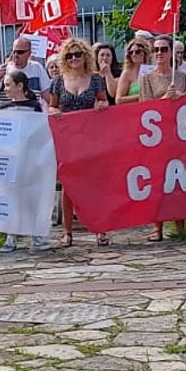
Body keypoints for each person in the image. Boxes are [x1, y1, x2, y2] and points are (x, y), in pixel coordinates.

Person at [48, 37, 109, 247]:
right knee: (68, 186)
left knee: (94, 185)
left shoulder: (95, 79)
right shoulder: (58, 81)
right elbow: (53, 107)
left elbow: (104, 100)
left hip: (91, 137)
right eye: (69, 55)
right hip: (68, 139)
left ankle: (100, 229)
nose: (74, 58)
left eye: (77, 54)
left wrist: (101, 104)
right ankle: (67, 232)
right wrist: (54, 111)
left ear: (85, 56)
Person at [139, 35, 186, 241]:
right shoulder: (147, 78)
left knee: (180, 180)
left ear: (171, 52)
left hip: (179, 135)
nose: (159, 53)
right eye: (156, 50)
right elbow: (144, 107)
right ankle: (157, 226)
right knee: (158, 182)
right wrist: (164, 99)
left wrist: (180, 96)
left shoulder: (181, 77)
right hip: (157, 137)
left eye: (163, 49)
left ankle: (180, 224)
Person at [0, 70, 51, 253]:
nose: (5, 88)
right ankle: (11, 236)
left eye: (8, 84)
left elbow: (40, 132)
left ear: (20, 86)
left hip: (30, 160)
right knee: (12, 198)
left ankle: (37, 236)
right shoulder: (3, 108)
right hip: (10, 161)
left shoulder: (34, 106)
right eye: (4, 85)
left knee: (31, 197)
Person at [0, 36, 51, 107]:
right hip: (8, 113)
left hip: (31, 114)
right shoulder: (3, 69)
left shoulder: (37, 68)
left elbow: (47, 96)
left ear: (29, 53)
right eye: (14, 52)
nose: (16, 55)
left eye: (20, 52)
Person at [115, 37, 152, 105]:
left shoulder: (152, 70)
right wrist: (140, 96)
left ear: (145, 52)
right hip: (133, 111)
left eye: (137, 51)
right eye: (131, 52)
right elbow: (118, 100)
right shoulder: (127, 73)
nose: (134, 54)